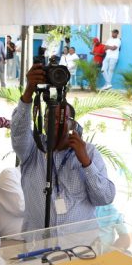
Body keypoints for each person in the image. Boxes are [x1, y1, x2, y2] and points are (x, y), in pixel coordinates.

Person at [12, 65, 116, 231]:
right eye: (48, 116)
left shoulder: (88, 152)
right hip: (38, 244)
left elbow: (105, 198)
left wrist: (87, 163)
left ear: (72, 123)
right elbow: (18, 132)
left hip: (79, 248)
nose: (52, 121)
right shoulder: (33, 148)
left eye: (60, 118)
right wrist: (29, 91)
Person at [0, 166, 25, 237]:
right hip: (12, 241)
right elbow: (21, 208)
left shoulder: (45, 182)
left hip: (37, 240)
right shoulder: (10, 174)